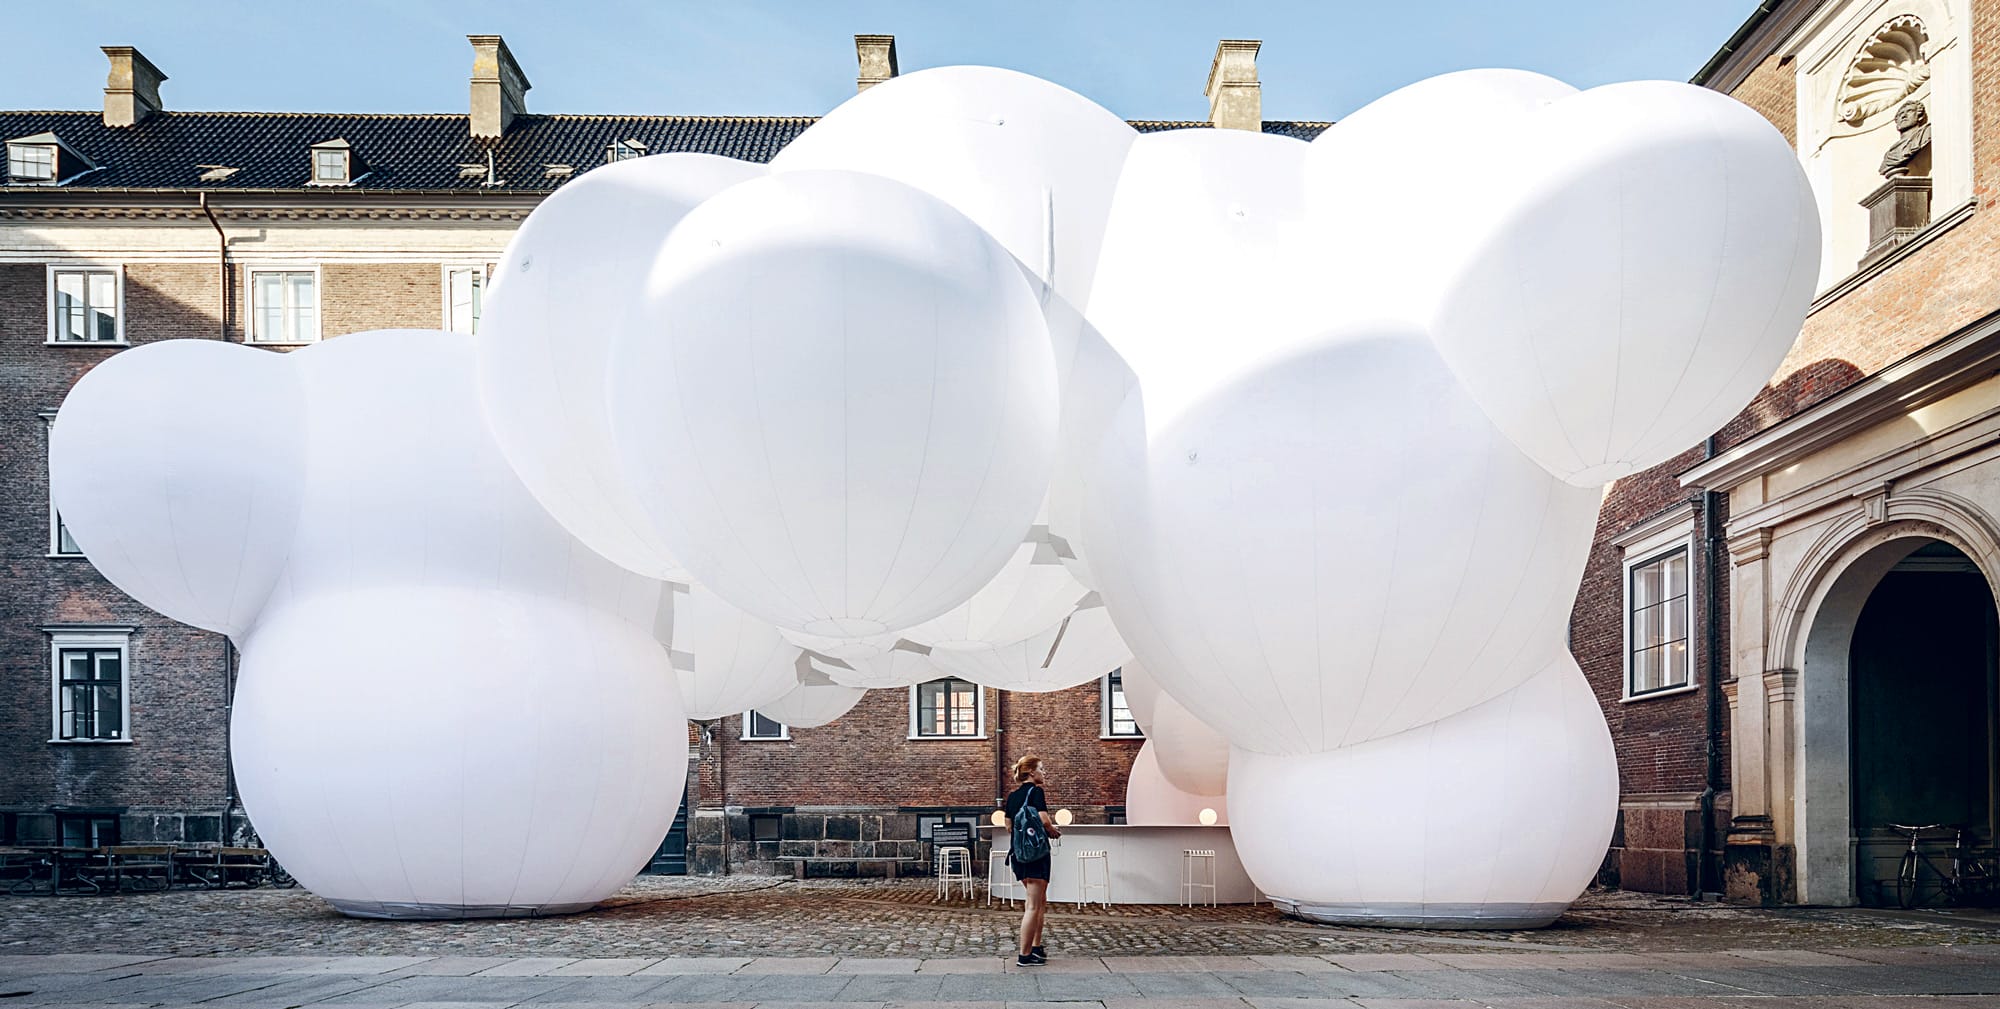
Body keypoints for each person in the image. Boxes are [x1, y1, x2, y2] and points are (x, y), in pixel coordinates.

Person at [1002, 755, 1060, 966]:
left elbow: (1008, 826)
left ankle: (1036, 948)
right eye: (1041, 769)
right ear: (1031, 772)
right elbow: (1044, 820)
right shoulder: (1036, 792)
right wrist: (1053, 831)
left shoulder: (1012, 796)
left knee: (1039, 902)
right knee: (1033, 905)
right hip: (1036, 856)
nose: (1044, 773)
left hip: (1019, 856)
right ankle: (1024, 955)